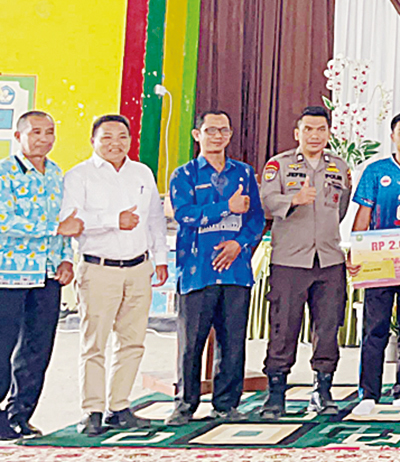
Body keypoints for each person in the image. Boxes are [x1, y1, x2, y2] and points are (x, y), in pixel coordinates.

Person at [62, 114, 169, 435]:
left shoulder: (142, 172)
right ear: (93, 140)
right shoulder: (78, 175)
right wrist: (112, 219)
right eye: (107, 137)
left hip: (138, 268)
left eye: (122, 136)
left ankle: (119, 406)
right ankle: (91, 409)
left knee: (133, 341)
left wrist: (160, 259)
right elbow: (70, 218)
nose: (115, 143)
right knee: (94, 342)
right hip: (99, 268)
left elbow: (154, 219)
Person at [165, 110, 264, 426]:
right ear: (197, 135)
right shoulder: (184, 175)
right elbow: (184, 215)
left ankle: (226, 404)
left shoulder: (244, 174)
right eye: (210, 130)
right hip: (198, 270)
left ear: (231, 134)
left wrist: (239, 245)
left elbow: (256, 219)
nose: (217, 136)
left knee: (233, 341)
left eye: (224, 130)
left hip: (236, 270)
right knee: (191, 342)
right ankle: (184, 404)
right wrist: (226, 208)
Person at [257, 106, 353, 419]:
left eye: (321, 129)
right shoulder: (279, 165)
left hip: (328, 259)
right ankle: (276, 393)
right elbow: (267, 200)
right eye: (308, 129)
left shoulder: (339, 167)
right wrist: (292, 201)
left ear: (328, 133)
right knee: (284, 327)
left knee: (327, 327)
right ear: (298, 132)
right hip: (290, 260)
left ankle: (322, 390)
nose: (315, 135)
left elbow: (340, 209)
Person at [0, 111, 78, 439]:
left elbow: (67, 224)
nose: (44, 139)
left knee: (38, 349)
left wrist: (65, 260)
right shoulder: (4, 173)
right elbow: (3, 222)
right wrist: (53, 228)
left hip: (47, 276)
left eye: (50, 132)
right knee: (3, 348)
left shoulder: (57, 174)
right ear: (18, 136)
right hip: (9, 275)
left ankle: (19, 414)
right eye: (35, 132)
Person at [349, 112, 400, 416]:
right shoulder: (375, 171)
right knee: (375, 327)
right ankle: (368, 394)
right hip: (379, 259)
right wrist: (356, 250)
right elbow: (363, 215)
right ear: (392, 136)